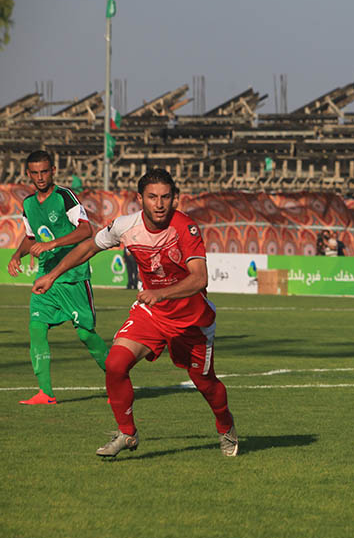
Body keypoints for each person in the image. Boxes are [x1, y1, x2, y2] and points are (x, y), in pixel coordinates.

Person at [32, 169, 238, 457]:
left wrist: (161, 293)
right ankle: (127, 433)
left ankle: (225, 426)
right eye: (152, 197)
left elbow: (200, 278)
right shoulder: (125, 226)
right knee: (116, 364)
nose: (160, 203)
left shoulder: (185, 228)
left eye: (166, 197)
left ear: (175, 199)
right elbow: (89, 247)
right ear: (140, 198)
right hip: (151, 314)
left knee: (205, 383)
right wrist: (52, 275)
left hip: (190, 320)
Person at [6, 150, 109, 405]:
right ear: (28, 174)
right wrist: (17, 255)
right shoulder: (28, 204)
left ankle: (116, 381)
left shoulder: (65, 196)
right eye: (35, 173)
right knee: (36, 329)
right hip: (45, 276)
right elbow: (31, 238)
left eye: (44, 171)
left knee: (85, 334)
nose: (40, 177)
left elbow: (86, 230)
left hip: (73, 274)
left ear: (53, 170)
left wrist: (52, 244)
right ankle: (46, 393)